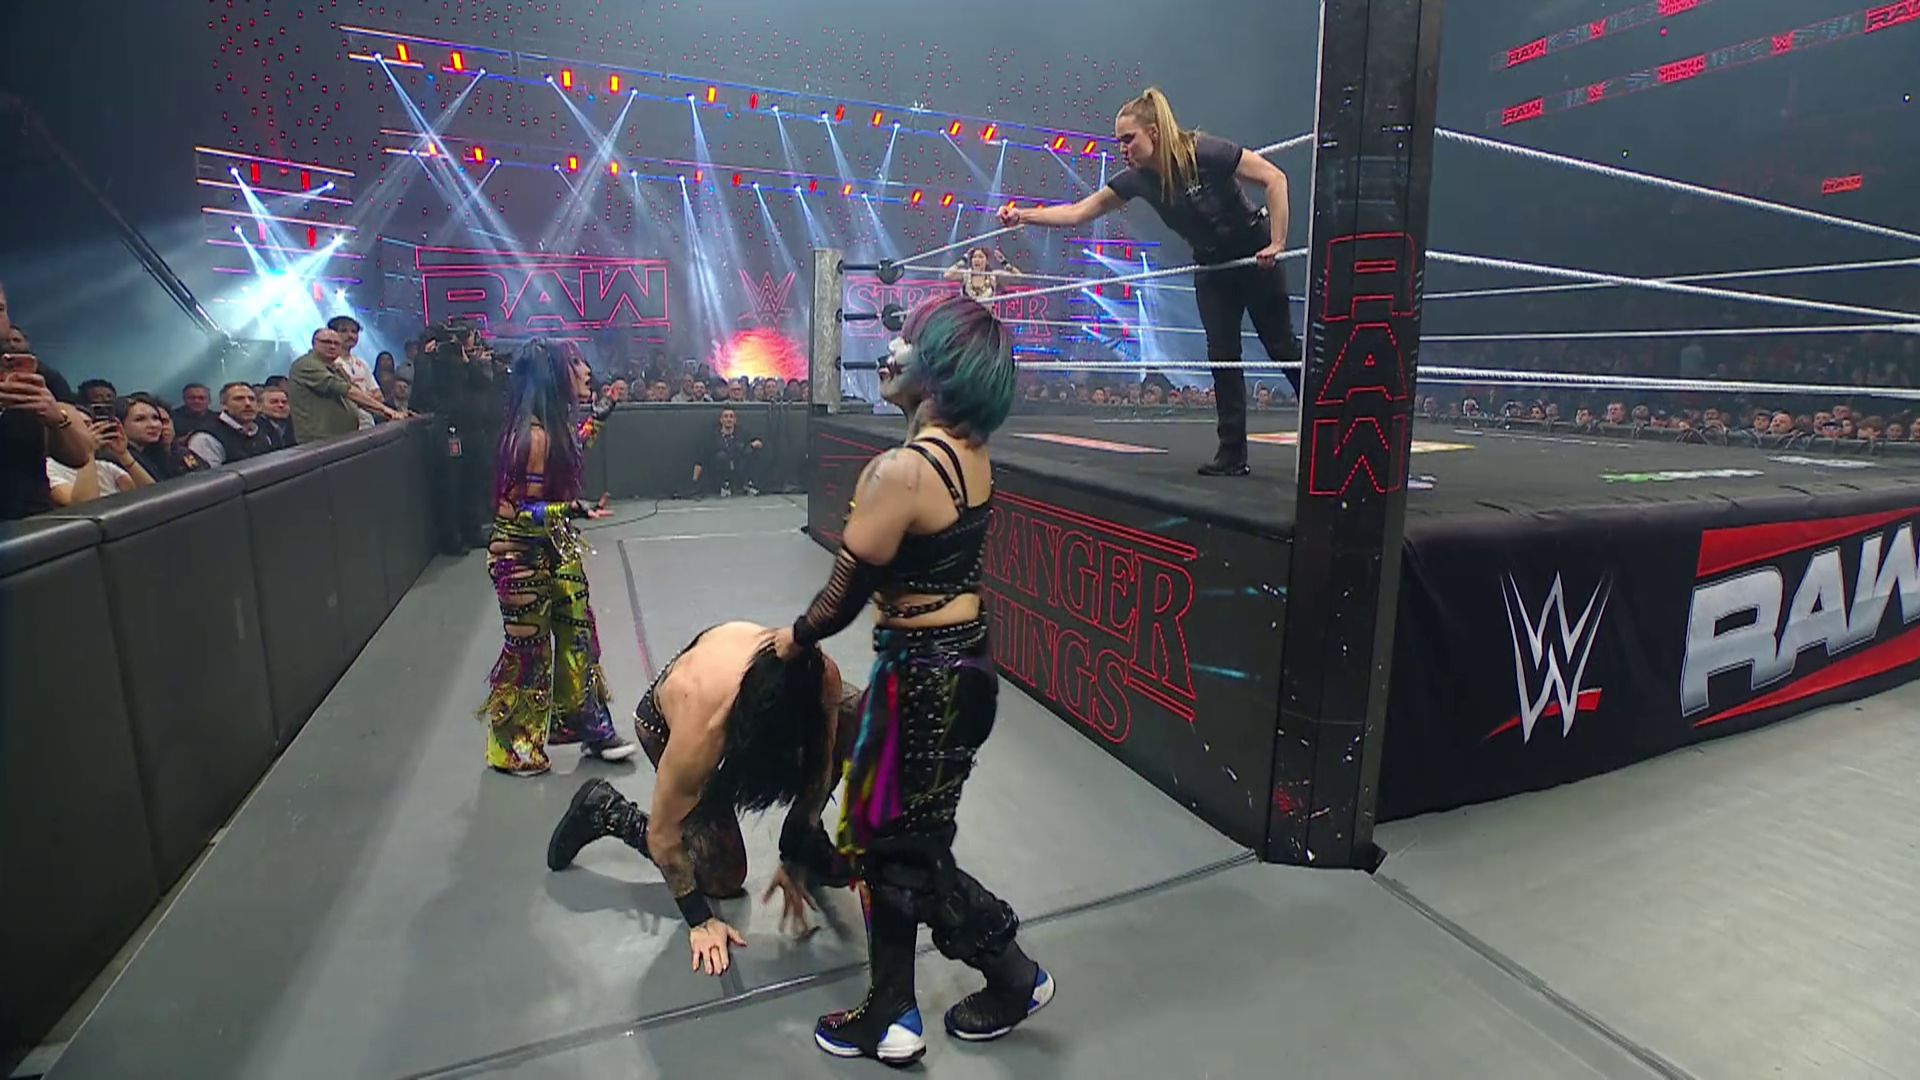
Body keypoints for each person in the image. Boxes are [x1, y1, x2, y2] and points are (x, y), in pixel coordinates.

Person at [770, 295, 1052, 1065]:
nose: (888, 351)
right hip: (960, 667)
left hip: (924, 680)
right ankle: (897, 1012)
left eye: (906, 340)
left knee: (900, 849)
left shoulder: (902, 470)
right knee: (894, 843)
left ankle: (1006, 974)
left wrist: (792, 640)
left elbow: (840, 598)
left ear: (940, 370)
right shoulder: (970, 455)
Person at [1000, 87, 1297, 477]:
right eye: (1119, 141)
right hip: (1212, 266)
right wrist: (1022, 215)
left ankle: (1330, 426)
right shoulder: (1137, 179)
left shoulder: (1203, 151)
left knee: (1282, 347)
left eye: (1128, 139)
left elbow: (1275, 178)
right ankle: (1232, 454)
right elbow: (1078, 213)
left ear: (1153, 133)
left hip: (1254, 253)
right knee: (1222, 356)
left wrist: (1277, 242)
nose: (1122, 148)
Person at [545, 621, 862, 974]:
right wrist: (700, 920)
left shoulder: (821, 675)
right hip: (669, 718)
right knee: (723, 876)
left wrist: (797, 848)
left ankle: (808, 840)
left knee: (857, 716)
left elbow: (822, 758)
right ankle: (607, 809)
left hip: (736, 677)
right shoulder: (701, 736)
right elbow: (663, 836)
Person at [479, 341, 635, 775]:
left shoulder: (552, 430)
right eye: (575, 364)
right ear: (553, 376)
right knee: (528, 650)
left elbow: (568, 452)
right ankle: (511, 746)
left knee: (580, 639)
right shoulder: (528, 437)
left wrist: (598, 417)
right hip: (520, 555)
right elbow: (517, 510)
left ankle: (590, 726)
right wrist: (570, 509)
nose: (586, 371)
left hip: (557, 548)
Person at [943, 247, 1021, 302]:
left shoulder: (993, 276)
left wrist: (1005, 263)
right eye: (974, 257)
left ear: (987, 261)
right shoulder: (965, 274)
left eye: (980, 257)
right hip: (967, 317)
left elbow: (1019, 277)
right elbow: (947, 275)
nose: (977, 260)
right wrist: (962, 261)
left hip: (986, 317)